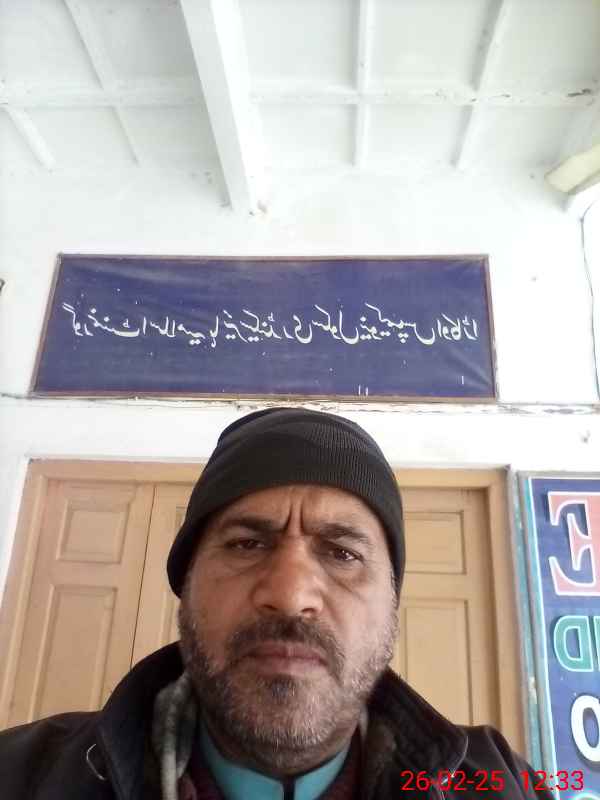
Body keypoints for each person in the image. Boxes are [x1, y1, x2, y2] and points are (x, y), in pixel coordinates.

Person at [0, 408, 552, 799]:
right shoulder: (20, 775)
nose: (290, 596)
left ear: (391, 601)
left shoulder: (504, 784)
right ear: (186, 583)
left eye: (342, 553)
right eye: (246, 544)